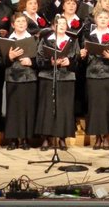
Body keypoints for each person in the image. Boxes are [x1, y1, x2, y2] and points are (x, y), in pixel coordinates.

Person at [35, 15, 80, 151]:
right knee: (47, 108)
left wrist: (70, 62)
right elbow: (38, 60)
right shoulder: (45, 40)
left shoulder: (73, 41)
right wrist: (51, 62)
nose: (61, 25)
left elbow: (78, 61)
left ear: (67, 26)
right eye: (58, 23)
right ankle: (46, 138)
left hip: (66, 77)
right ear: (53, 26)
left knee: (64, 108)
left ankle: (62, 138)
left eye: (63, 23)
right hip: (48, 77)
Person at [80, 8, 109, 151]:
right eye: (100, 17)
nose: (103, 20)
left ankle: (106, 137)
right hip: (93, 75)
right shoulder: (87, 37)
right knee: (95, 107)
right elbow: (81, 60)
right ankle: (97, 137)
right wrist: (83, 55)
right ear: (95, 20)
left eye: (105, 18)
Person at [3, 12, 38, 150]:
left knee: (27, 109)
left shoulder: (33, 39)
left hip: (29, 78)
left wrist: (31, 62)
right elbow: (1, 62)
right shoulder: (7, 39)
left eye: (23, 21)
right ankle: (12, 139)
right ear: (12, 25)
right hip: (13, 77)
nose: (21, 24)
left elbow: (41, 60)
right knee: (13, 110)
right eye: (18, 22)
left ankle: (25, 139)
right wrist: (10, 57)